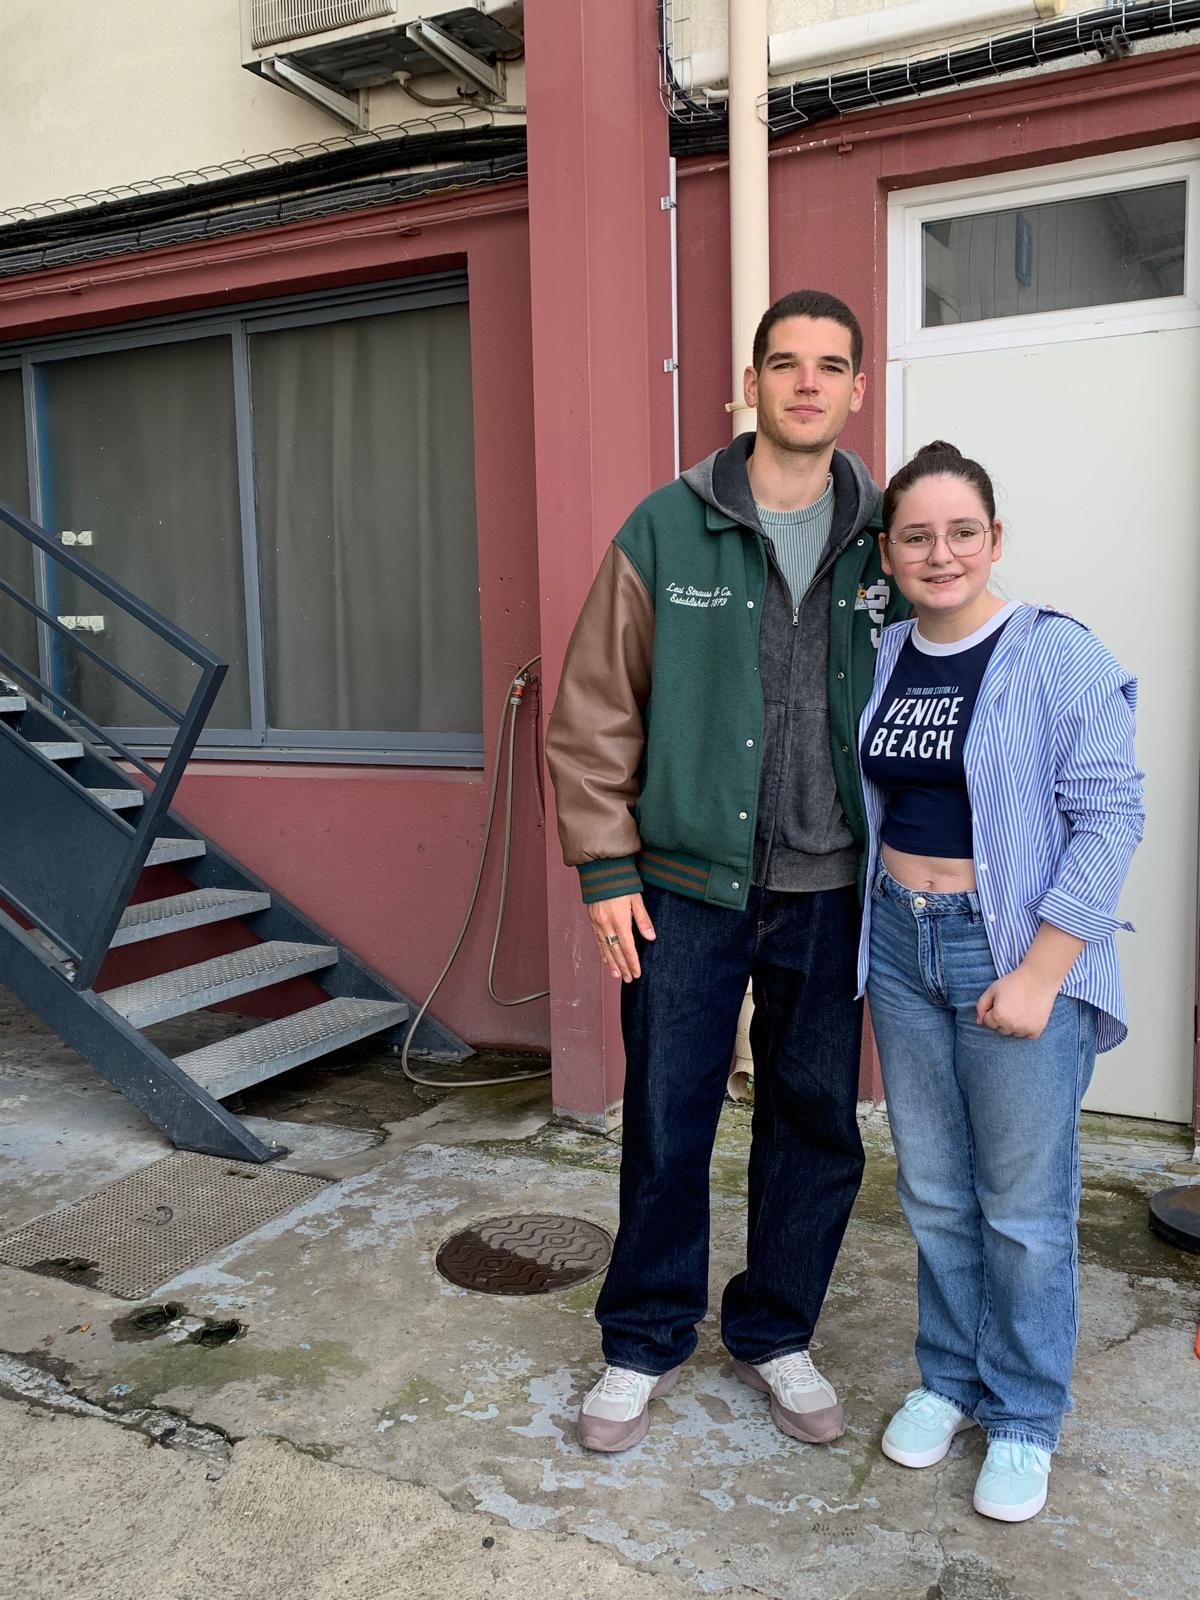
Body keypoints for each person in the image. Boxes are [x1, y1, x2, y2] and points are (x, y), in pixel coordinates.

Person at [546, 289, 909, 1453]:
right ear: (750, 384)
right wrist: (606, 869)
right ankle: (644, 1337)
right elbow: (595, 708)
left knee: (816, 1123)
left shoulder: (890, 538)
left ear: (858, 389)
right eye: (785, 363)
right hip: (683, 887)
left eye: (830, 366)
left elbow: (954, 669)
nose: (807, 383)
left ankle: (775, 1329)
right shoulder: (667, 526)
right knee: (667, 1115)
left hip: (833, 891)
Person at [857, 441, 1143, 1522]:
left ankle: (1023, 1413)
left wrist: (1041, 970)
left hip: (1011, 947)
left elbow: (1111, 816)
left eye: (962, 532)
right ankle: (948, 1378)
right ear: (889, 552)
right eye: (917, 536)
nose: (942, 554)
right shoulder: (884, 653)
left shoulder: (1056, 651)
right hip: (899, 941)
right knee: (932, 1187)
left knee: (1022, 1206)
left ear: (995, 539)